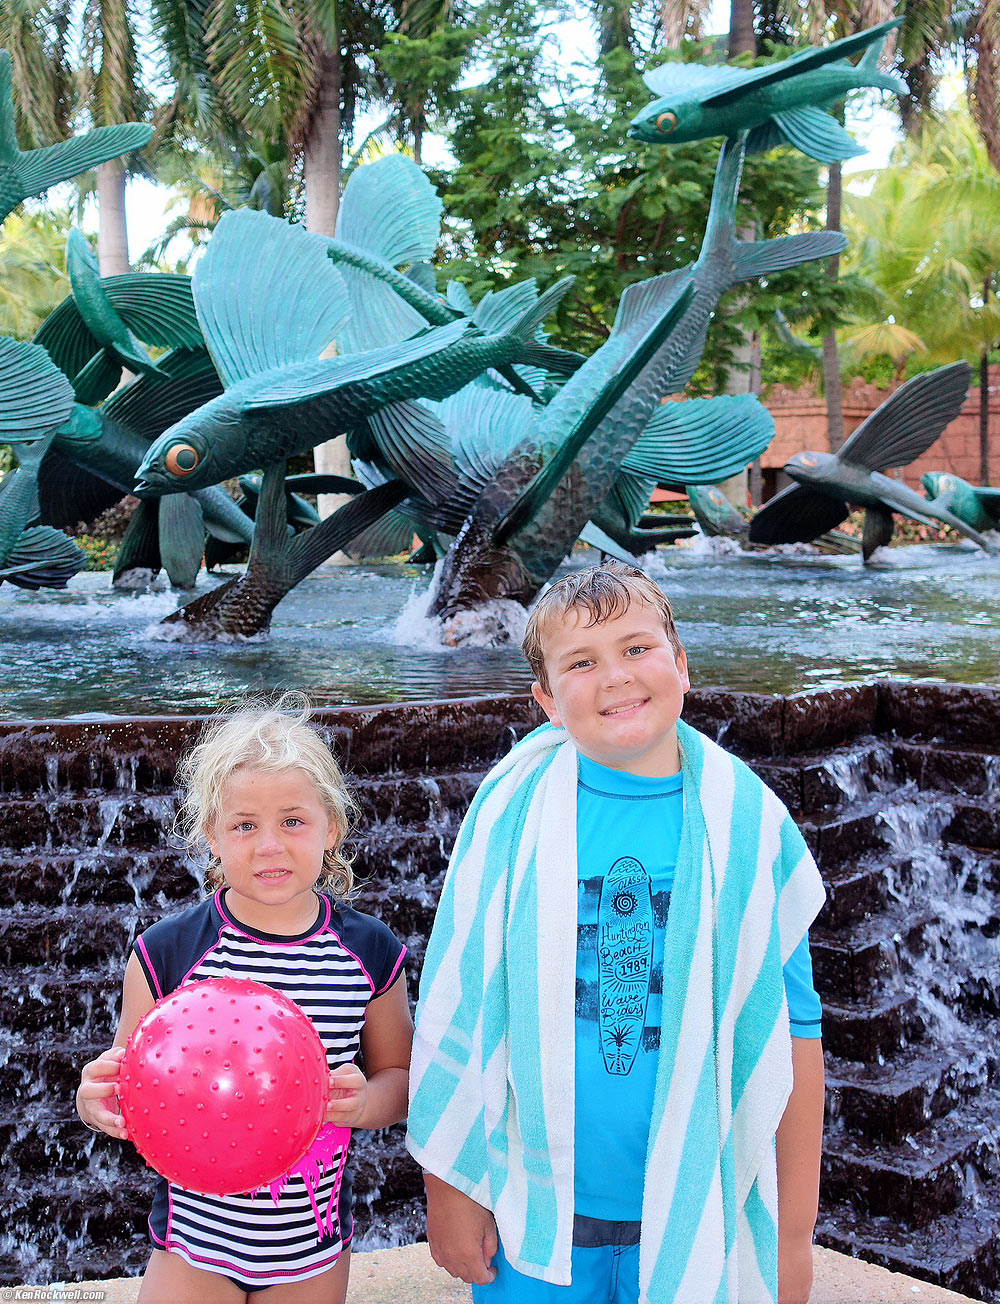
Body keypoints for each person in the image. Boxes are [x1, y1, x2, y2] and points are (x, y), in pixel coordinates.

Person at [407, 560, 826, 1304]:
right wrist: (453, 1183)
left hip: (704, 1207)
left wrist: (792, 1236)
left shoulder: (748, 828)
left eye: (637, 649)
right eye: (582, 662)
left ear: (682, 666)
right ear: (546, 701)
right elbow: (459, 1008)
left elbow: (790, 1033)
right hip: (533, 1209)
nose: (615, 677)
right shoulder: (509, 819)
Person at [77, 696, 412, 1304]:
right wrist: (96, 1100)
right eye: (244, 825)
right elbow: (127, 1083)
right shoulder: (168, 951)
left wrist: (365, 1102)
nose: (269, 846)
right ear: (211, 835)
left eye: (293, 821)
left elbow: (401, 1077)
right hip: (192, 1246)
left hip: (309, 1251)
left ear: (331, 827)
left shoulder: (370, 952)